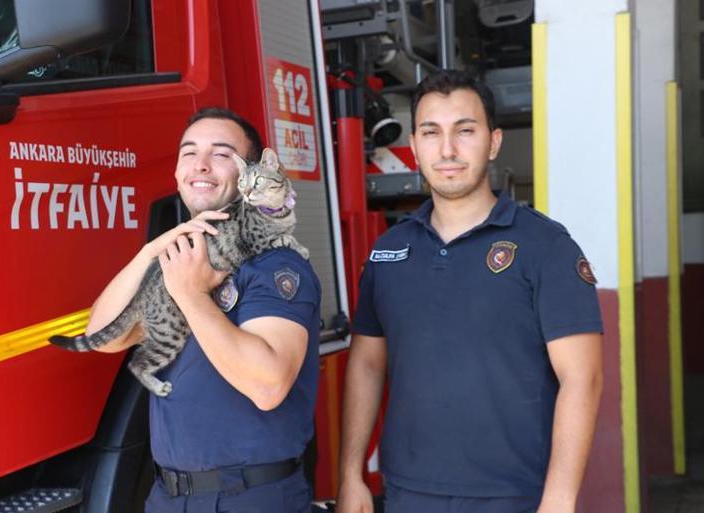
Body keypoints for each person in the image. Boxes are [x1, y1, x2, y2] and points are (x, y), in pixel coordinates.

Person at [337, 70, 604, 513]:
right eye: (431, 132)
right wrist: (350, 475)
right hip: (409, 492)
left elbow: (583, 378)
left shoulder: (545, 246)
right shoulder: (389, 252)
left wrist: (559, 499)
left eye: (465, 131)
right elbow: (366, 365)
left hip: (515, 495)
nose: (447, 149)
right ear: (416, 145)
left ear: (494, 142)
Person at [86, 107, 321, 513]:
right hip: (168, 497)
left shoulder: (274, 264)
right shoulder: (178, 262)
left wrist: (192, 296)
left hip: (251, 499)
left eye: (222, 153)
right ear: (177, 173)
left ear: (248, 173)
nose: (201, 164)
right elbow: (103, 337)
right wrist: (150, 253)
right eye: (189, 152)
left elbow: (268, 386)